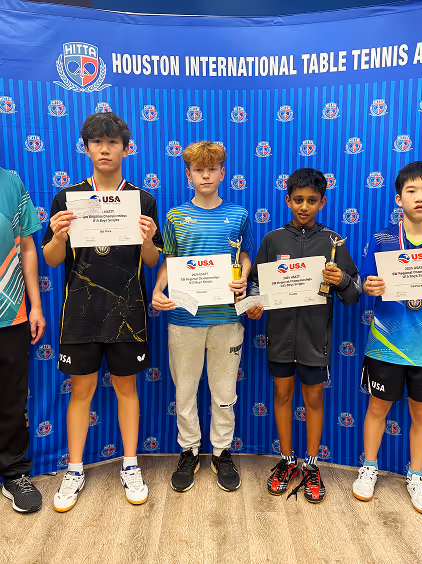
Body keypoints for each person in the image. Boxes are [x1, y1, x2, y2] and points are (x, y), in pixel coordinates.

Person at [42, 112, 163, 512]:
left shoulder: (143, 200)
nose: (105, 149)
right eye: (97, 142)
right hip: (81, 313)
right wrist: (58, 235)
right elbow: (52, 259)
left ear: (126, 149)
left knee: (127, 389)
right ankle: (74, 469)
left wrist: (148, 239)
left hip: (129, 312)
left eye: (113, 142)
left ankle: (130, 464)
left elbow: (152, 261)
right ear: (86, 148)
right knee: (81, 391)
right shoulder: (68, 198)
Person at [246, 168, 361, 502]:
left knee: (313, 399)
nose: (304, 206)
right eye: (298, 200)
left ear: (322, 202)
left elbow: (353, 293)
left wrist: (341, 280)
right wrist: (254, 304)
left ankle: (311, 465)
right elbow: (255, 284)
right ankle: (287, 460)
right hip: (280, 338)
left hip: (315, 340)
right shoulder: (272, 240)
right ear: (288, 201)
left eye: (312, 200)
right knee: (282, 395)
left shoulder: (333, 242)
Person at [352, 161, 422, 515]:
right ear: (399, 198)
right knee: (377, 408)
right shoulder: (383, 238)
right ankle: (369, 467)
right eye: (411, 191)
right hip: (385, 344)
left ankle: (416, 476)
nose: (419, 197)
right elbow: (366, 285)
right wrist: (370, 287)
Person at [152, 141, 254, 493]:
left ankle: (221, 452)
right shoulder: (174, 217)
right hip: (185, 319)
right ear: (189, 175)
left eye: (212, 169)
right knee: (185, 392)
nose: (206, 175)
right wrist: (158, 290)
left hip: (227, 318)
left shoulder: (239, 215)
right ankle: (189, 451)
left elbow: (246, 255)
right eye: (199, 170)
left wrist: (243, 278)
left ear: (223, 173)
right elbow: (169, 261)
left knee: (224, 392)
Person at [0, 168, 46, 513]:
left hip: (10, 311)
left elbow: (28, 247)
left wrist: (35, 306)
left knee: (12, 399)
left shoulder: (12, 182)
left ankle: (14, 473)